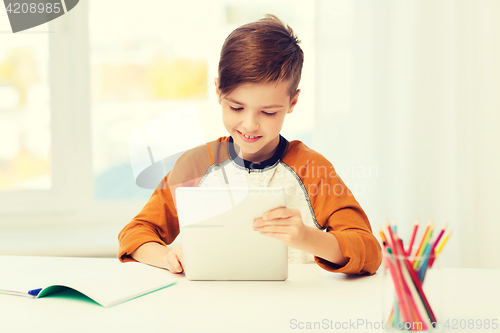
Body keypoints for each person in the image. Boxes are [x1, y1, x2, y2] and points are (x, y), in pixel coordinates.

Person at [118, 14, 382, 275]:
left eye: (268, 112)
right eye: (236, 107)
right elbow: (134, 234)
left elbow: (369, 251)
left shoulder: (312, 170)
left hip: (291, 309)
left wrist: (307, 238)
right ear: (219, 92)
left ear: (292, 103)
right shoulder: (196, 166)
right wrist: (167, 256)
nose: (250, 125)